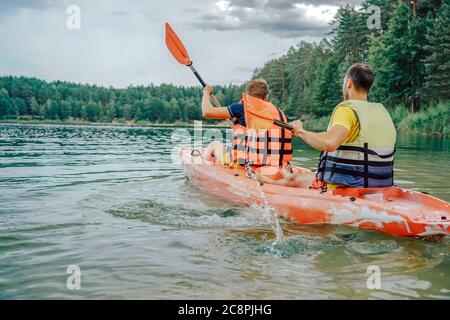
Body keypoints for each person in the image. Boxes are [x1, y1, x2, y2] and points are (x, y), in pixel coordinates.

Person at [290, 63, 397, 190]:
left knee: (292, 180)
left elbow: (329, 143)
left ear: (349, 83)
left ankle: (262, 180)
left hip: (347, 187)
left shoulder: (347, 110)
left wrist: (300, 131)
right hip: (380, 187)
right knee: (304, 177)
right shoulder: (383, 113)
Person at [201, 79, 293, 174]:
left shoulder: (241, 108)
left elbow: (207, 112)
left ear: (247, 96)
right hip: (276, 165)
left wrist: (206, 93)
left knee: (215, 144)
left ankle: (202, 168)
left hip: (245, 165)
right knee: (229, 149)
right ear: (266, 97)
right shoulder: (278, 113)